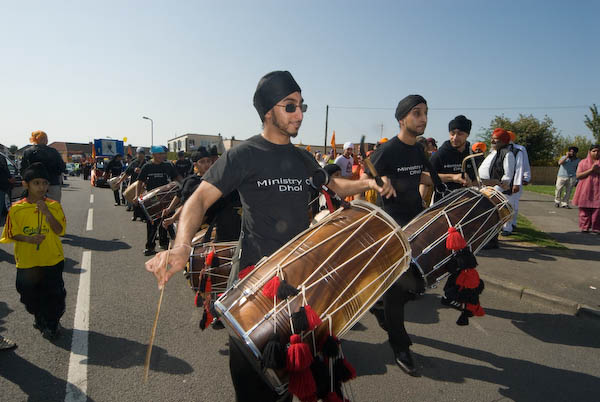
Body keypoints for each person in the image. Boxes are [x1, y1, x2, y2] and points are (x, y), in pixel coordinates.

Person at [145, 70, 394, 402]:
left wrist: (368, 184)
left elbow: (334, 186)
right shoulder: (244, 154)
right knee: (251, 385)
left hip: (300, 283)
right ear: (267, 111)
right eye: (289, 106)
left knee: (289, 381)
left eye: (301, 105)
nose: (300, 114)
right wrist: (181, 247)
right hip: (254, 281)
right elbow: (199, 199)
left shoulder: (302, 157)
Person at [367, 95, 444, 377]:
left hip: (417, 221)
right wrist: (380, 183)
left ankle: (379, 306)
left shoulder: (419, 150)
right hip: (394, 229)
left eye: (425, 113)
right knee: (398, 291)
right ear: (402, 119)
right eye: (416, 113)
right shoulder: (389, 150)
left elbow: (420, 178)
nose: (423, 118)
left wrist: (452, 180)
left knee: (413, 287)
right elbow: (369, 169)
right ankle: (400, 346)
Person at [0, 163, 67, 340]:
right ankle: (39, 315)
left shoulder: (54, 206)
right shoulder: (16, 209)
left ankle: (52, 324)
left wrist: (47, 214)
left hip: (52, 259)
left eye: (45, 183)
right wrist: (28, 239)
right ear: (26, 184)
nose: (42, 187)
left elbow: (60, 230)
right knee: (28, 296)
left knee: (55, 295)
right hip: (27, 262)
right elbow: (10, 233)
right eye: (36, 183)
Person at [136, 146, 182, 255]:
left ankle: (164, 243)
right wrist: (137, 196)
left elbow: (176, 178)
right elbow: (139, 182)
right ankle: (150, 247)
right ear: (153, 155)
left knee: (166, 222)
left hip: (167, 198)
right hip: (152, 200)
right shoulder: (147, 166)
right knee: (152, 223)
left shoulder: (168, 165)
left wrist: (185, 184)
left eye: (163, 154)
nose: (163, 156)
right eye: (160, 154)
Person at [478, 128, 516, 246]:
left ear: (504, 142)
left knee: (492, 218)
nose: (493, 142)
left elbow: (507, 176)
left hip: (494, 191)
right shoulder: (493, 152)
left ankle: (491, 241)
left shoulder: (507, 154)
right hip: (485, 188)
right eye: (492, 139)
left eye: (497, 140)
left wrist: (495, 191)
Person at [430, 115, 474, 203]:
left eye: (460, 134)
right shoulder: (439, 155)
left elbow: (477, 181)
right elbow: (425, 178)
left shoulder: (472, 155)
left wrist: (495, 182)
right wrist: (453, 177)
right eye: (452, 133)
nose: (455, 137)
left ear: (467, 134)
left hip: (468, 205)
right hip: (443, 207)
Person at [20, 131, 66, 202]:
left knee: (33, 208)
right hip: (52, 183)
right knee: (53, 208)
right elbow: (62, 167)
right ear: (46, 140)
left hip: (34, 185)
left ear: (34, 139)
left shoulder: (28, 152)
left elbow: (23, 170)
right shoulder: (54, 151)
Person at [572, 144, 600, 233]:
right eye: (594, 151)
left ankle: (596, 228)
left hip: (598, 190)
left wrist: (597, 170)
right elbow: (578, 175)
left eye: (598, 151)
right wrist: (591, 170)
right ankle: (585, 227)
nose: (596, 153)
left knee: (598, 210)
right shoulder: (583, 162)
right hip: (585, 189)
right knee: (584, 210)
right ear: (589, 152)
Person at [507, 130, 531, 231]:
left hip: (515, 179)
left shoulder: (519, 149)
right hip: (502, 180)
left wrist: (526, 177)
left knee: (514, 203)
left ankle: (512, 223)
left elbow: (523, 164)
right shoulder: (498, 148)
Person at [119, 147, 148, 220]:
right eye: (139, 154)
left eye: (142, 154)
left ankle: (142, 216)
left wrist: (141, 170)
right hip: (134, 185)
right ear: (137, 154)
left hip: (143, 186)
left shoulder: (147, 163)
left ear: (144, 154)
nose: (140, 155)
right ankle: (135, 215)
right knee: (135, 201)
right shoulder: (133, 163)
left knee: (142, 201)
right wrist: (119, 181)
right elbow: (126, 173)